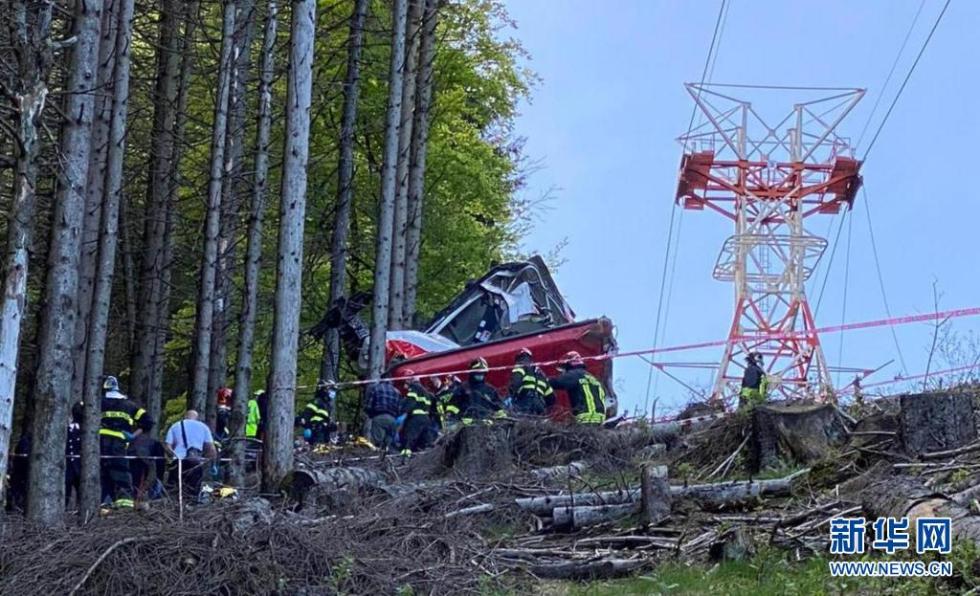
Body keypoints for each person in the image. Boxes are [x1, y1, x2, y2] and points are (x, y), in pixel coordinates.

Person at [100, 375, 148, 509]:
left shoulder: (98, 402)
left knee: (100, 475)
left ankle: (102, 504)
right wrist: (133, 436)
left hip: (99, 444)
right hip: (119, 446)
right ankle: (124, 505)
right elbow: (147, 421)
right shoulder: (129, 405)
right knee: (121, 475)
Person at [165, 410, 217, 497]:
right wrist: (212, 463)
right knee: (193, 490)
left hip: (178, 461)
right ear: (197, 418)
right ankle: (191, 506)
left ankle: (173, 507)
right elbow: (211, 449)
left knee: (174, 489)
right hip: (195, 463)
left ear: (185, 416)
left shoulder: (175, 426)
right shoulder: (203, 427)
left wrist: (173, 455)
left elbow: (167, 446)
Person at [549, 352, 606, 425]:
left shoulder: (575, 374)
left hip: (585, 417)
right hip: (599, 419)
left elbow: (557, 382)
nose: (563, 373)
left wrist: (543, 379)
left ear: (569, 364)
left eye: (564, 369)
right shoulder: (592, 378)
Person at [451, 358, 504, 424]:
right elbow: (452, 407)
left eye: (482, 373)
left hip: (487, 426)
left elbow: (499, 406)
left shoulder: (490, 390)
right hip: (466, 427)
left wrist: (500, 415)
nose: (480, 375)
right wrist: (461, 417)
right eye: (478, 372)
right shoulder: (462, 388)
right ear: (472, 372)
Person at [128, 413, 166, 504]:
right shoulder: (154, 443)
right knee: (137, 485)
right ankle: (135, 502)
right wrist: (160, 477)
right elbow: (160, 462)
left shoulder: (129, 442)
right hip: (141, 466)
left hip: (128, 466)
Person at [399, 371, 434, 456]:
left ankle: (405, 457)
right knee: (425, 441)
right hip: (426, 418)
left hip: (415, 418)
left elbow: (411, 401)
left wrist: (403, 411)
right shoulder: (425, 391)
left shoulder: (414, 387)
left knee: (408, 437)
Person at [508, 348, 551, 416]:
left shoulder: (520, 366)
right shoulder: (541, 374)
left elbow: (516, 383)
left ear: (518, 358)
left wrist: (512, 394)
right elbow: (551, 397)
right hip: (540, 405)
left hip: (525, 402)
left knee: (524, 424)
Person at [364, 377, 403, 451]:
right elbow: (400, 409)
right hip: (393, 420)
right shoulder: (397, 392)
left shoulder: (376, 388)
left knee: (377, 444)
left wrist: (370, 415)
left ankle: (378, 459)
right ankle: (387, 457)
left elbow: (369, 405)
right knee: (388, 445)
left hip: (379, 417)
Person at [298, 380, 335, 445]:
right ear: (325, 390)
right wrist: (307, 424)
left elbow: (325, 419)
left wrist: (331, 425)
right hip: (316, 432)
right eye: (331, 390)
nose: (333, 393)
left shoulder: (327, 405)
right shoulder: (317, 402)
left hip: (324, 433)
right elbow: (307, 414)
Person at [65, 402, 83, 508]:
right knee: (66, 490)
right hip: (68, 466)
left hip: (81, 467)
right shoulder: (67, 428)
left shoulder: (88, 430)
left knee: (83, 492)